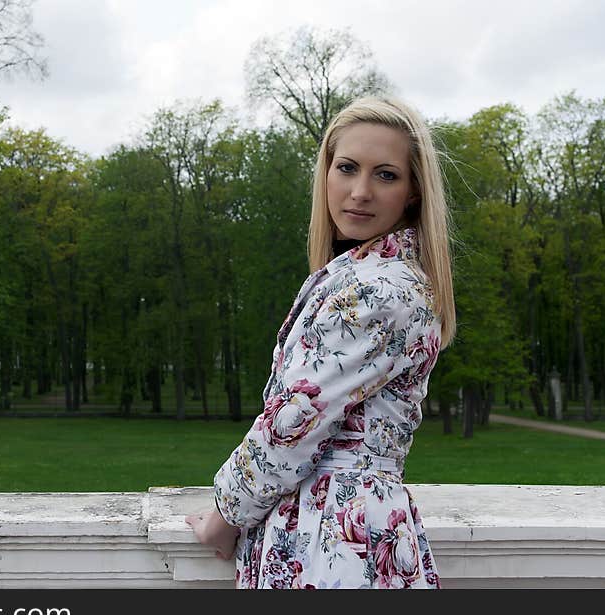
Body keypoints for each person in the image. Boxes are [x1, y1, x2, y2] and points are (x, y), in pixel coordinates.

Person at [185, 96, 456, 589]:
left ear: (414, 192)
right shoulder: (367, 277)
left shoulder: (379, 290)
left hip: (333, 538)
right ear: (326, 174)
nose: (360, 191)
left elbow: (295, 420)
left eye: (386, 175)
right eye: (347, 168)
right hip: (335, 527)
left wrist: (225, 515)